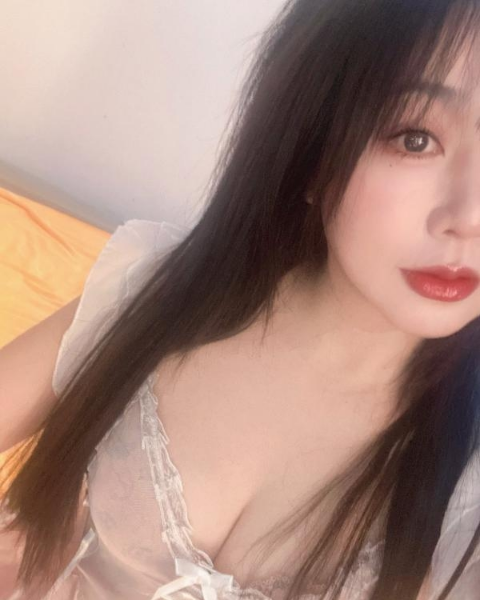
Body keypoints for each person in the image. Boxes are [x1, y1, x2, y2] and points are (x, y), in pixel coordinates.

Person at [1, 0, 480, 598]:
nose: (469, 216)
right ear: (312, 152)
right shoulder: (155, 295)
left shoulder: (466, 484)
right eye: (415, 138)